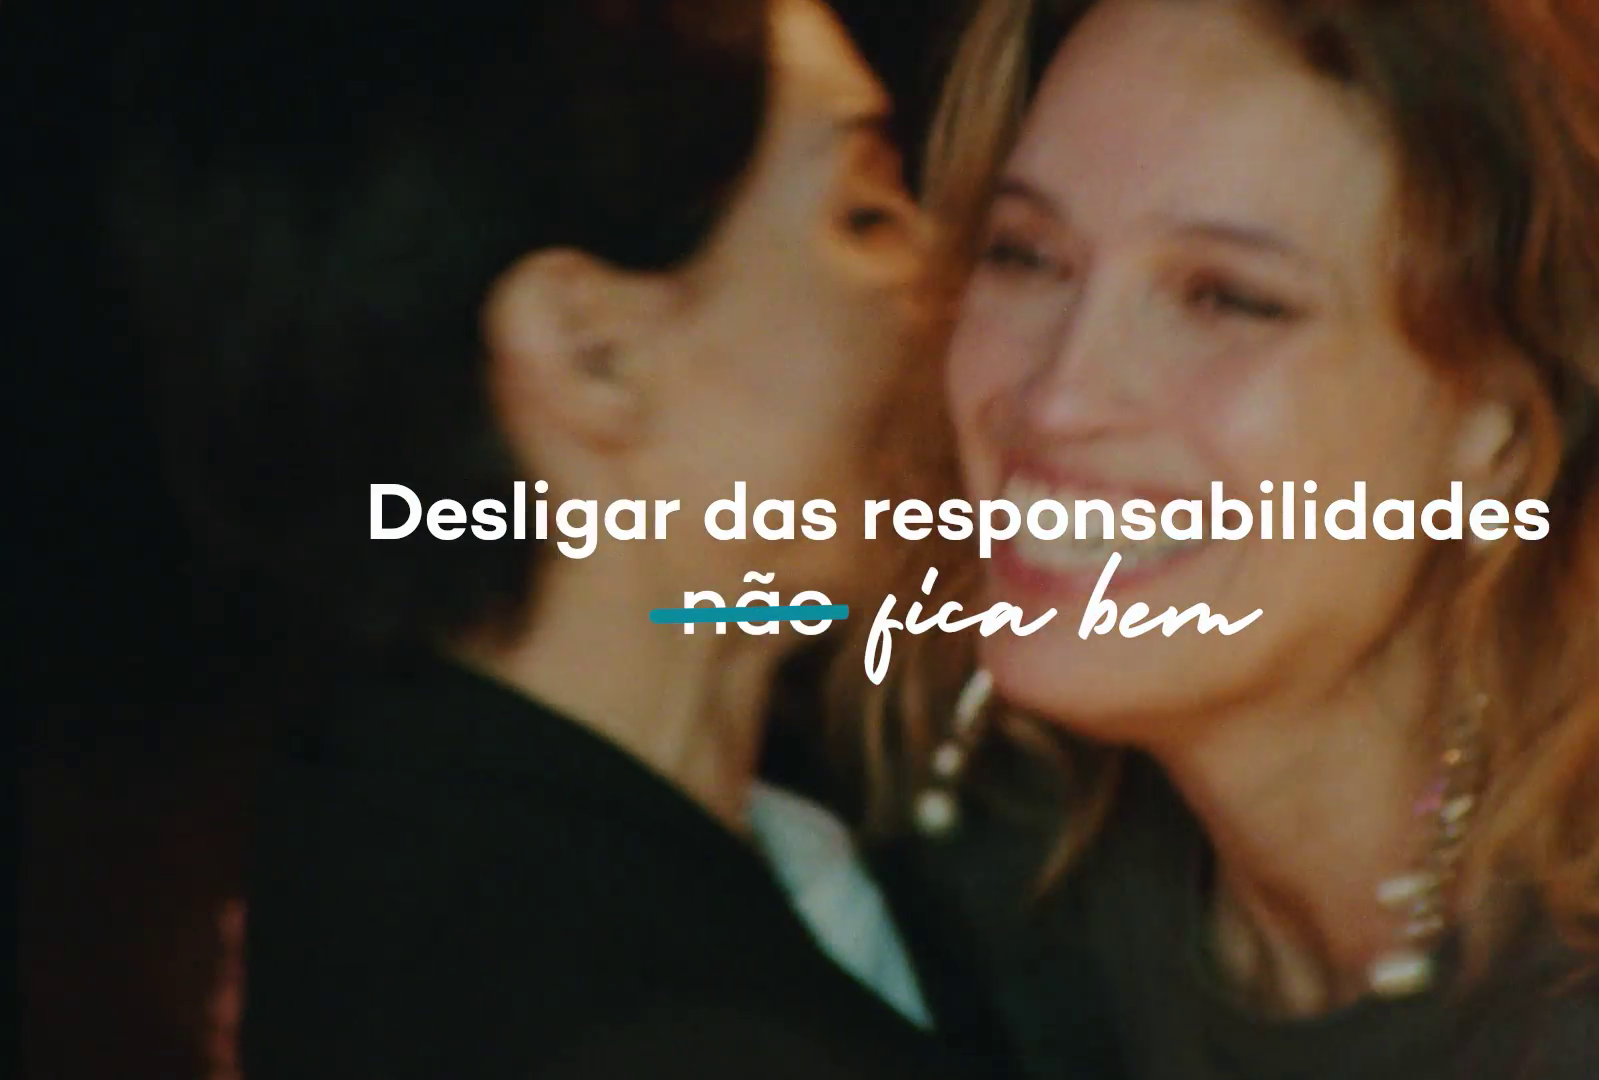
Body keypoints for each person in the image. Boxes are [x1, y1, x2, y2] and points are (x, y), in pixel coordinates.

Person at [856, 0, 1599, 1077]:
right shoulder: (998, 817)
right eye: (1026, 254)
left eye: (1227, 299)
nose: (1056, 397)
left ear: (1504, 432)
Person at [105, 0, 985, 1077]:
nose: (946, 285)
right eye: (865, 212)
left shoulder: (375, 822)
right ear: (591, 349)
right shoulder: (659, 1034)